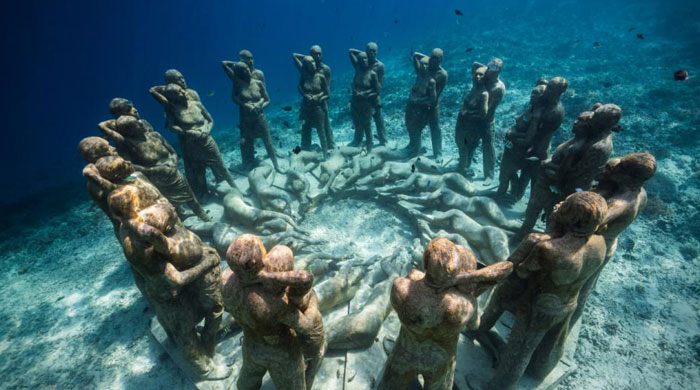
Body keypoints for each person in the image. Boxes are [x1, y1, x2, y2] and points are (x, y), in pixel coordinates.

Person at [478, 192, 608, 390]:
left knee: (518, 352)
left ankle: (499, 386)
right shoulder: (600, 243)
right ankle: (539, 369)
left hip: (537, 306)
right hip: (567, 302)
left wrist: (548, 232)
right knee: (550, 343)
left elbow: (521, 271)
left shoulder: (548, 248)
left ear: (570, 217)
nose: (559, 204)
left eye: (565, 204)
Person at [108, 184, 230, 380]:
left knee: (196, 320)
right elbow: (174, 280)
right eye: (139, 197)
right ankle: (204, 369)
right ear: (134, 206)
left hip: (183, 284)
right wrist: (205, 264)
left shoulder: (134, 225)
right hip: (169, 292)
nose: (144, 197)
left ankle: (207, 350)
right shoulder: (139, 244)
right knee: (184, 333)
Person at [378, 238, 512, 390]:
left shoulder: (401, 286)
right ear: (454, 272)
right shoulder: (465, 304)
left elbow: (417, 286)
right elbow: (474, 325)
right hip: (441, 360)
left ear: (426, 264)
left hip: (406, 351)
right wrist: (463, 280)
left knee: (390, 385)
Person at [570, 152, 656, 327]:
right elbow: (603, 171)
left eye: (621, 167)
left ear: (629, 177)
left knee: (578, 289)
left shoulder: (623, 203)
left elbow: (590, 220)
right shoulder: (639, 190)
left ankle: (566, 325)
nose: (615, 166)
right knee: (586, 285)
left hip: (595, 249)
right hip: (606, 244)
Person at [512, 103, 620, 242]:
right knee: (533, 210)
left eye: (596, 119)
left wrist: (547, 167)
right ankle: (523, 234)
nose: (591, 119)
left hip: (568, 188)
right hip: (553, 180)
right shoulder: (590, 131)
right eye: (593, 116)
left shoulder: (600, 147)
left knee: (555, 220)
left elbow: (575, 172)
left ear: (606, 124)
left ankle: (543, 244)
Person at [221, 235, 315, 390]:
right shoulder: (269, 303)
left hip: (251, 345)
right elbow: (306, 327)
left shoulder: (225, 280)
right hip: (281, 353)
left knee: (248, 378)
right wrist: (311, 301)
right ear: (253, 263)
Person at [98, 115, 210, 220]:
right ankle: (181, 218)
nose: (141, 124)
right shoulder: (128, 144)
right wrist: (154, 170)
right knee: (169, 202)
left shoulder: (155, 135)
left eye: (138, 122)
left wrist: (173, 164)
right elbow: (129, 164)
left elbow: (172, 151)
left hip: (173, 172)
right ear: (128, 130)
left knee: (189, 194)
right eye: (135, 125)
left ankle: (201, 213)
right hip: (157, 178)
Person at [150, 82, 236, 197]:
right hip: (192, 145)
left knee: (221, 165)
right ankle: (203, 193)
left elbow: (210, 120)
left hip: (207, 140)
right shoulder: (173, 110)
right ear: (172, 97)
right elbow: (172, 126)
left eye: (181, 90)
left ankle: (234, 186)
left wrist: (206, 130)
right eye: (178, 93)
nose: (182, 92)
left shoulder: (196, 104)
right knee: (199, 169)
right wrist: (185, 132)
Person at [497, 77, 568, 202]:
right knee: (521, 175)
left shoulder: (555, 112)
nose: (547, 90)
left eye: (550, 89)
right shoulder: (543, 101)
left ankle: (529, 209)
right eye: (548, 87)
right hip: (526, 148)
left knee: (534, 182)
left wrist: (512, 135)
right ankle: (515, 197)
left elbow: (536, 137)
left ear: (559, 93)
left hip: (538, 151)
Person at [222, 61, 279, 171]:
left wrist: (259, 105)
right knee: (247, 142)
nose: (247, 70)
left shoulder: (258, 82)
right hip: (245, 119)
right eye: (243, 70)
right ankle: (249, 164)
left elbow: (268, 100)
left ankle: (276, 165)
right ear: (239, 73)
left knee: (268, 141)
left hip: (260, 117)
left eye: (247, 68)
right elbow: (234, 97)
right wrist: (245, 105)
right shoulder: (237, 83)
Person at [462, 58, 505, 182]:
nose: (490, 70)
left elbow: (489, 109)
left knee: (488, 148)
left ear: (499, 71)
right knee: (470, 144)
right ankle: (466, 166)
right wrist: (486, 67)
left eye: (493, 68)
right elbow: (474, 64)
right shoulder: (483, 77)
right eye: (489, 67)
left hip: (486, 122)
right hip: (474, 119)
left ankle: (489, 175)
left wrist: (470, 115)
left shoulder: (499, 88)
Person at [410, 49, 448, 159]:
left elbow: (437, 94)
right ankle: (415, 148)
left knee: (435, 128)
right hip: (420, 104)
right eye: (433, 58)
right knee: (416, 126)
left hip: (433, 105)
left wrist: (424, 102)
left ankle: (438, 153)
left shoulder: (443, 74)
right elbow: (416, 54)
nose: (434, 61)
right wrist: (429, 57)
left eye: (437, 59)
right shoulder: (425, 68)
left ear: (441, 60)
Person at [456, 63, 490, 176]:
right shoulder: (474, 87)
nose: (477, 77)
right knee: (462, 145)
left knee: (468, 147)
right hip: (463, 123)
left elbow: (483, 114)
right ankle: (463, 166)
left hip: (472, 126)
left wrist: (468, 113)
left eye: (481, 75)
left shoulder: (484, 94)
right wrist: (486, 68)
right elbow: (474, 64)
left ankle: (464, 169)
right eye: (476, 74)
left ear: (486, 77)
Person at [292, 55, 329, 157]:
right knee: (305, 129)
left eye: (313, 62)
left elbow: (327, 93)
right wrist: (305, 95)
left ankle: (325, 153)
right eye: (309, 63)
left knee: (321, 130)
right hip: (305, 108)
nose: (312, 64)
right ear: (305, 66)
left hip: (317, 108)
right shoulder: (304, 76)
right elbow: (299, 87)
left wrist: (318, 97)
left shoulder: (321, 77)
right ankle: (304, 151)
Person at [351, 42, 387, 145]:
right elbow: (351, 52)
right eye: (369, 51)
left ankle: (383, 140)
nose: (371, 53)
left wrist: (367, 94)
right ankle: (358, 140)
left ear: (377, 52)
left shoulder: (380, 66)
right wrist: (362, 53)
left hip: (373, 97)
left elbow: (379, 86)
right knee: (359, 120)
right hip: (360, 99)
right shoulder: (360, 63)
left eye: (374, 51)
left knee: (378, 119)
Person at [403, 55, 437, 157]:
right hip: (412, 107)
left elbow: (433, 99)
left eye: (426, 64)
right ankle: (412, 145)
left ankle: (416, 151)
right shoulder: (419, 76)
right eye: (422, 64)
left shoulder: (431, 81)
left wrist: (418, 101)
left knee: (416, 129)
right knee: (409, 127)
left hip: (421, 110)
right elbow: (415, 56)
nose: (424, 66)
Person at [347, 50, 380, 150]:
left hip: (367, 104)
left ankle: (370, 146)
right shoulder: (358, 70)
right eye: (361, 59)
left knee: (367, 125)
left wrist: (364, 94)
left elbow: (377, 91)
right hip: (355, 103)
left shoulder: (373, 74)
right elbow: (350, 51)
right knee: (357, 124)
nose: (364, 60)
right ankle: (357, 142)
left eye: (365, 58)